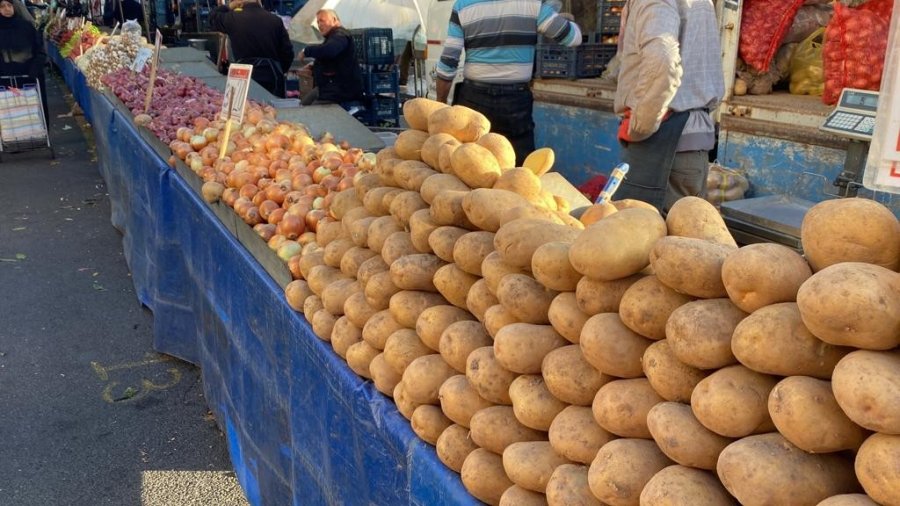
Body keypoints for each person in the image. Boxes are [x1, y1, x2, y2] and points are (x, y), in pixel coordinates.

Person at [434, 0, 581, 166]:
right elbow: (574, 38)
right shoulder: (533, 5)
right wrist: (559, 18)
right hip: (514, 103)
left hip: (473, 99)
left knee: (470, 166)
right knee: (518, 168)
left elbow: (449, 61)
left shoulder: (463, 5)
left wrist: (440, 101)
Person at [613, 0, 724, 213]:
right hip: (690, 141)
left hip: (665, 141)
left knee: (643, 239)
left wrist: (638, 126)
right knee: (681, 238)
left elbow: (662, 60)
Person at [210, 0, 294, 98]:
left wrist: (229, 6)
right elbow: (287, 53)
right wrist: (278, 69)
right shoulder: (275, 20)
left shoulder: (233, 18)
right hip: (271, 76)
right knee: (274, 110)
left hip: (241, 77)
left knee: (245, 111)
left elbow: (212, 18)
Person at [298, 9, 363, 107]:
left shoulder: (340, 35)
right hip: (327, 87)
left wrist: (306, 51)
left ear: (334, 19)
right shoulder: (332, 36)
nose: (319, 25)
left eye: (322, 20)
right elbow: (332, 60)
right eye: (318, 22)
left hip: (341, 90)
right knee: (301, 106)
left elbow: (329, 50)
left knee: (310, 113)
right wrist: (313, 67)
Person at [0, 0, 48, 128]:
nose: (7, 9)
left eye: (9, 5)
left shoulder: (26, 26)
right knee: (11, 118)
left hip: (29, 76)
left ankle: (40, 134)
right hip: (5, 80)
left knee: (34, 114)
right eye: (2, 6)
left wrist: (33, 72)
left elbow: (39, 51)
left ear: (15, 7)